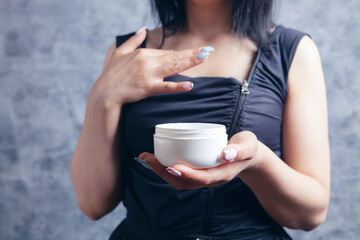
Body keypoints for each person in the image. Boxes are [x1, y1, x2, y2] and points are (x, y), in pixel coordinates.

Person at [70, 0, 331, 239]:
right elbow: (93, 204)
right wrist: (101, 96)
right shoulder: (127, 54)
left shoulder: (293, 51)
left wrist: (256, 161)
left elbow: (309, 215)